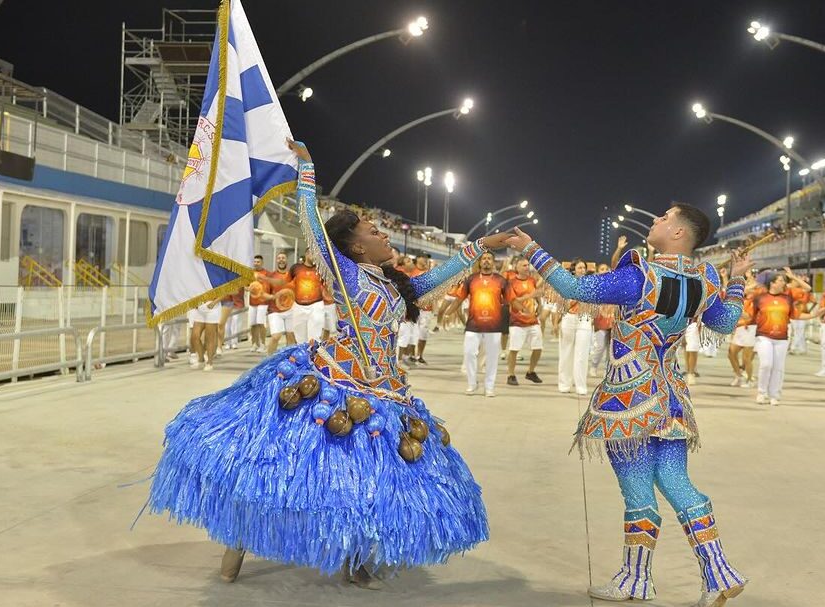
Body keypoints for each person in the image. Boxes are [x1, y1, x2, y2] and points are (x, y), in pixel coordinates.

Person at [150, 141, 513, 586]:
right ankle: (237, 545)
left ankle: (356, 558)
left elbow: (442, 275)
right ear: (355, 248)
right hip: (331, 383)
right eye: (372, 231)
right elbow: (316, 233)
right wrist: (307, 170)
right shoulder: (349, 276)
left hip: (382, 393)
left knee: (369, 481)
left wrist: (481, 245)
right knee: (269, 470)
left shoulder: (394, 285)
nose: (382, 234)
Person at [506, 203, 752, 607]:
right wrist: (739, 281)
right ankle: (718, 571)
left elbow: (575, 289)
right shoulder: (705, 279)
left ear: (678, 233)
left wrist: (532, 248)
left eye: (663, 217)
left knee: (638, 491)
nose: (655, 221)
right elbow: (724, 323)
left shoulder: (642, 275)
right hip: (671, 399)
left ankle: (635, 580)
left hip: (630, 400)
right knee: (676, 482)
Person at [451, 252, 509, 397]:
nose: (486, 261)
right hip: (473, 325)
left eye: (489, 258)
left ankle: (489, 386)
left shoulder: (501, 280)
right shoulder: (471, 279)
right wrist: (449, 311)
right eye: (484, 259)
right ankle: (472, 384)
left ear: (494, 262)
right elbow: (459, 298)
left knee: (492, 357)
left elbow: (509, 301)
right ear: (479, 262)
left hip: (494, 326)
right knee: (469, 353)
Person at [750, 269, 810, 406]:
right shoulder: (760, 297)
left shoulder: (787, 297)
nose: (783, 283)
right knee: (766, 364)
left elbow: (807, 288)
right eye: (780, 280)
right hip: (763, 335)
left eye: (784, 280)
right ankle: (761, 392)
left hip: (782, 338)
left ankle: (774, 395)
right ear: (772, 283)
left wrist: (792, 276)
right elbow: (752, 313)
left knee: (778, 367)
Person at [505, 257, 544, 385]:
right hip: (517, 321)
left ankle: (530, 372)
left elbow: (535, 294)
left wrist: (539, 305)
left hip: (532, 320)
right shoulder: (511, 282)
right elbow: (513, 301)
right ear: (517, 268)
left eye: (528, 265)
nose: (527, 268)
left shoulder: (532, 280)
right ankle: (511, 374)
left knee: (538, 348)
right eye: (524, 266)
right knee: (514, 349)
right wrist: (529, 297)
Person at [556, 259, 593, 395]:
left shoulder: (590, 283)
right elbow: (563, 304)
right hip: (569, 318)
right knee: (566, 352)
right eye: (579, 268)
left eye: (584, 267)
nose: (582, 270)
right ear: (574, 269)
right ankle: (564, 383)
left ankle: (580, 385)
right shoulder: (567, 284)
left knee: (582, 354)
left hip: (584, 318)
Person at [727, 270, 759, 387]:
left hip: (750, 328)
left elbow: (748, 316)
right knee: (731, 353)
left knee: (746, 358)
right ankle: (738, 375)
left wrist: (737, 309)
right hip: (740, 328)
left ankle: (749, 379)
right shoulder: (744, 299)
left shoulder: (756, 296)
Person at [289, 248, 327, 344]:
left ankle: (314, 357)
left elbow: (326, 285)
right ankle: (303, 357)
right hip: (298, 306)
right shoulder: (296, 268)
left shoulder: (320, 269)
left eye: (316, 254)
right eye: (312, 253)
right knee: (300, 338)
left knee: (314, 337)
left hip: (316, 305)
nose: (314, 256)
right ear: (306, 254)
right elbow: (286, 283)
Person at [265, 252, 295, 354]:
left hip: (291, 310)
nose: (281, 260)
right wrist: (274, 297)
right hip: (275, 311)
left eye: (283, 258)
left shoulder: (292, 276)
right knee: (276, 336)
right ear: (276, 260)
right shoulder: (271, 276)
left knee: (291, 336)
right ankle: (268, 360)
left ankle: (290, 361)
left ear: (286, 260)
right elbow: (264, 294)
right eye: (279, 258)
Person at [187, 298, 221, 370]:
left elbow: (225, 291)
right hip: (200, 307)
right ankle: (201, 358)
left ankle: (209, 362)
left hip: (213, 308)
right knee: (194, 337)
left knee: (209, 337)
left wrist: (214, 302)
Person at [413, 254, 434, 364]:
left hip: (427, 309)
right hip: (414, 308)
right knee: (412, 333)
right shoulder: (412, 272)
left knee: (423, 333)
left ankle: (419, 355)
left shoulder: (430, 273)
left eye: (426, 258)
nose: (424, 259)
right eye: (422, 257)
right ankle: (410, 355)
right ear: (417, 259)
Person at [248, 254, 272, 353]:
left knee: (261, 323)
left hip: (263, 302)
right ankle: (254, 343)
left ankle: (263, 344)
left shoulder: (267, 274)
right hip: (252, 303)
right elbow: (245, 286)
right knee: (253, 324)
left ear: (262, 262)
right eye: (255, 262)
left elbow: (271, 288)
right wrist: (249, 288)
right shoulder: (249, 274)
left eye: (258, 262)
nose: (256, 263)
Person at [788, 275, 813, 355]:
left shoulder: (803, 290)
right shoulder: (789, 289)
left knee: (800, 330)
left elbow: (808, 299)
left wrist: (799, 301)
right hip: (793, 312)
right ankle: (801, 348)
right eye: (795, 281)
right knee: (796, 331)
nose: (796, 282)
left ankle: (795, 347)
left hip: (802, 312)